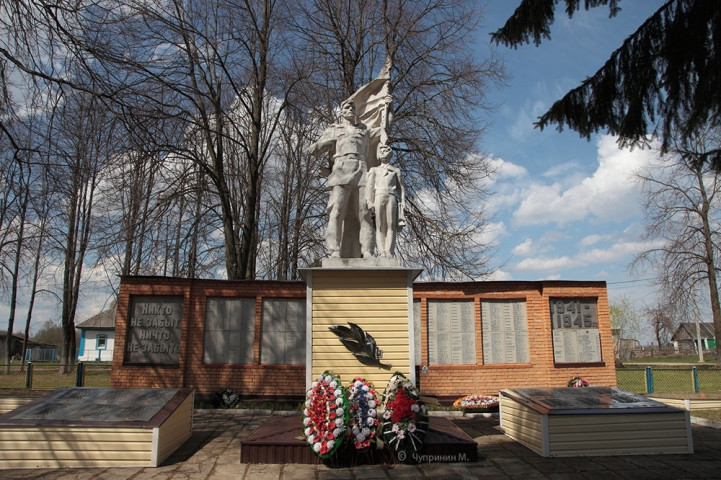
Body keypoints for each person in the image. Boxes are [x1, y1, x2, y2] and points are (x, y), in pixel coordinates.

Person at [308, 100, 376, 258]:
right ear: (342, 111)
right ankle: (334, 250)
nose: (350, 109)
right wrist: (326, 144)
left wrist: (388, 107)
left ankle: (367, 251)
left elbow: (384, 129)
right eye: (347, 107)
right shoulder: (334, 129)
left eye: (353, 107)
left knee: (364, 213)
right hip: (341, 170)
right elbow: (313, 150)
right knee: (337, 211)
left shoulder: (364, 129)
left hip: (361, 169)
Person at [366, 143, 405, 257]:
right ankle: (381, 251)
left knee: (391, 224)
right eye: (381, 151)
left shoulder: (395, 170)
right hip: (378, 196)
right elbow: (369, 187)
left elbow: (401, 188)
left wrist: (403, 202)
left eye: (385, 150)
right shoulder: (374, 170)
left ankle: (389, 251)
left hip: (391, 196)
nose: (382, 152)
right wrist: (369, 201)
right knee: (379, 225)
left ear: (390, 153)